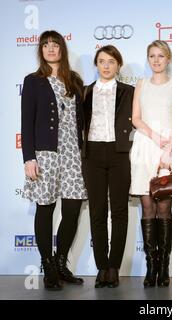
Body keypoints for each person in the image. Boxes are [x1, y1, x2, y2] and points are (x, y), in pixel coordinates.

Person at [21, 30, 87, 290]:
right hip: (46, 153)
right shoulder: (33, 81)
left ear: (62, 49)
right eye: (45, 44)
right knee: (45, 207)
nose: (50, 48)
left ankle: (61, 263)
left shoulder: (75, 80)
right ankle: (47, 265)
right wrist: (29, 157)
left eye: (55, 44)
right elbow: (26, 122)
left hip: (73, 152)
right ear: (41, 49)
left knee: (72, 208)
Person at [130, 40, 172, 287]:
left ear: (168, 58)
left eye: (160, 55)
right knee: (147, 207)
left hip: (168, 148)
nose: (156, 60)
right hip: (144, 145)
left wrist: (168, 150)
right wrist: (154, 137)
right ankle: (150, 267)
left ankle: (164, 267)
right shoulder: (140, 84)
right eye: (152, 55)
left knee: (164, 208)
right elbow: (136, 119)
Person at [82, 45, 134, 288]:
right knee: (97, 211)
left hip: (119, 152)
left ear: (118, 65)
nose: (106, 65)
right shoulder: (84, 92)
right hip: (92, 153)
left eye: (111, 61)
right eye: (101, 61)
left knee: (120, 211)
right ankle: (101, 266)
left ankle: (114, 267)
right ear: (96, 64)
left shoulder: (129, 91)